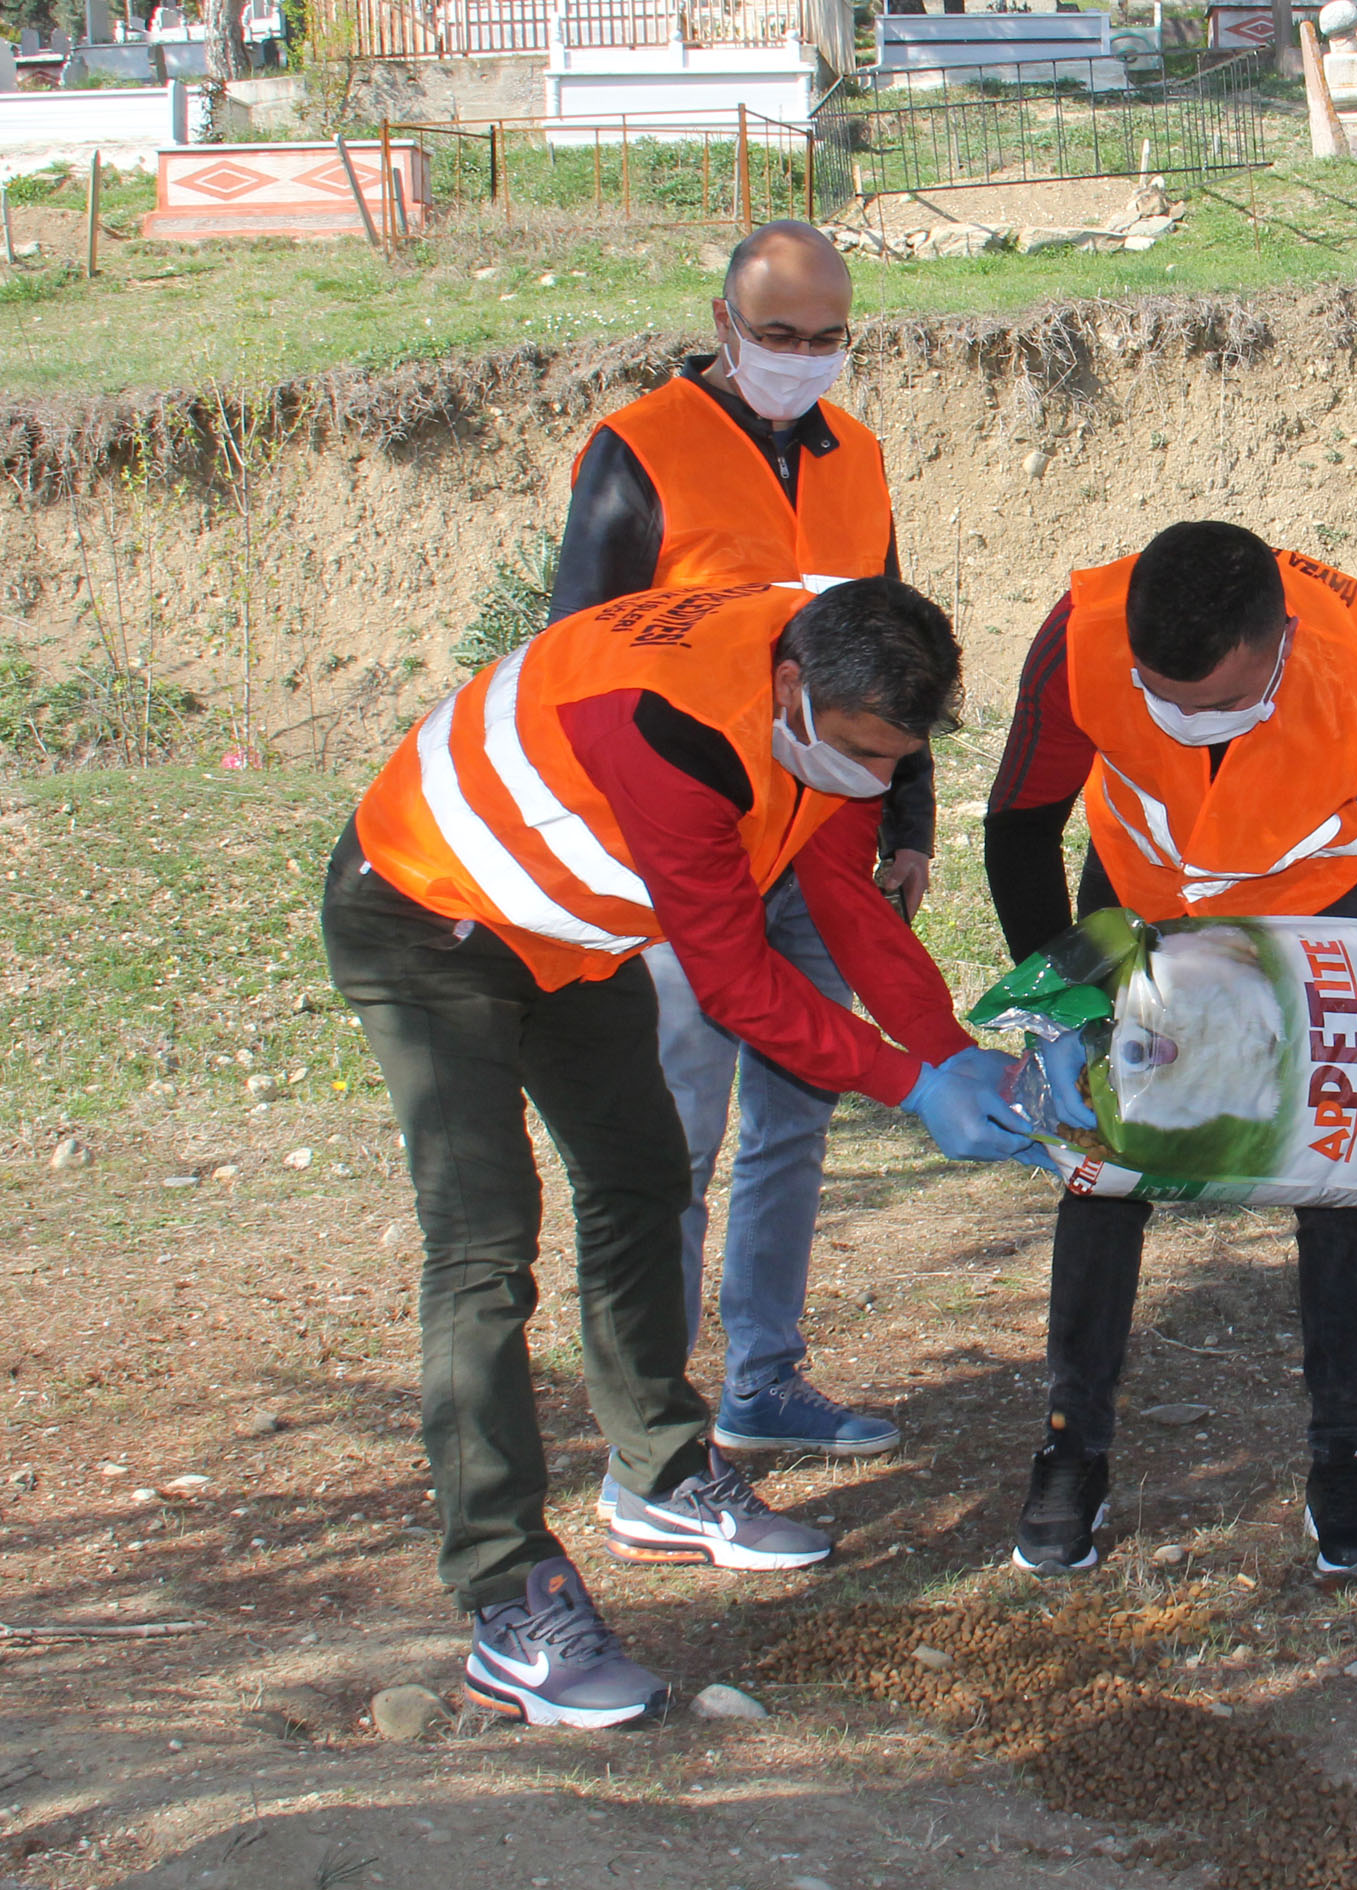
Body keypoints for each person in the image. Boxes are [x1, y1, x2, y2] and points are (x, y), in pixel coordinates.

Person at [322, 577, 1034, 1729]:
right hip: (430, 917)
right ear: (792, 689)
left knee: (645, 1179)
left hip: (569, 932)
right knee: (485, 1244)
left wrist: (951, 1049)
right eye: (856, 751)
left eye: (891, 760)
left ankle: (657, 1473)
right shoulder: (673, 730)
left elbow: (844, 895)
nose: (870, 776)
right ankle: (507, 1598)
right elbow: (738, 982)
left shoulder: (836, 682)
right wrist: (908, 1086)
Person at [980, 522, 1357, 1579]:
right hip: (1141, 894)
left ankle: (1343, 1454)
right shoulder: (1079, 641)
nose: (1186, 723)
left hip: (1315, 908)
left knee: (1339, 1163)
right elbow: (1020, 822)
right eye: (1162, 697)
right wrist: (1059, 1005)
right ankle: (1071, 1448)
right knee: (1101, 1161)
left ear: (1279, 643)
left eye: (1219, 703)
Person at [555, 218, 931, 1464]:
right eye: (779, 335)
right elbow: (578, 666)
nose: (804, 358)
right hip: (682, 849)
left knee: (796, 1117)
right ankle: (651, 1425)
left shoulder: (861, 456)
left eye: (829, 339)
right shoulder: (638, 453)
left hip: (821, 833)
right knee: (677, 1135)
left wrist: (908, 819)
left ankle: (764, 1380)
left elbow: (892, 644)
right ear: (722, 324)